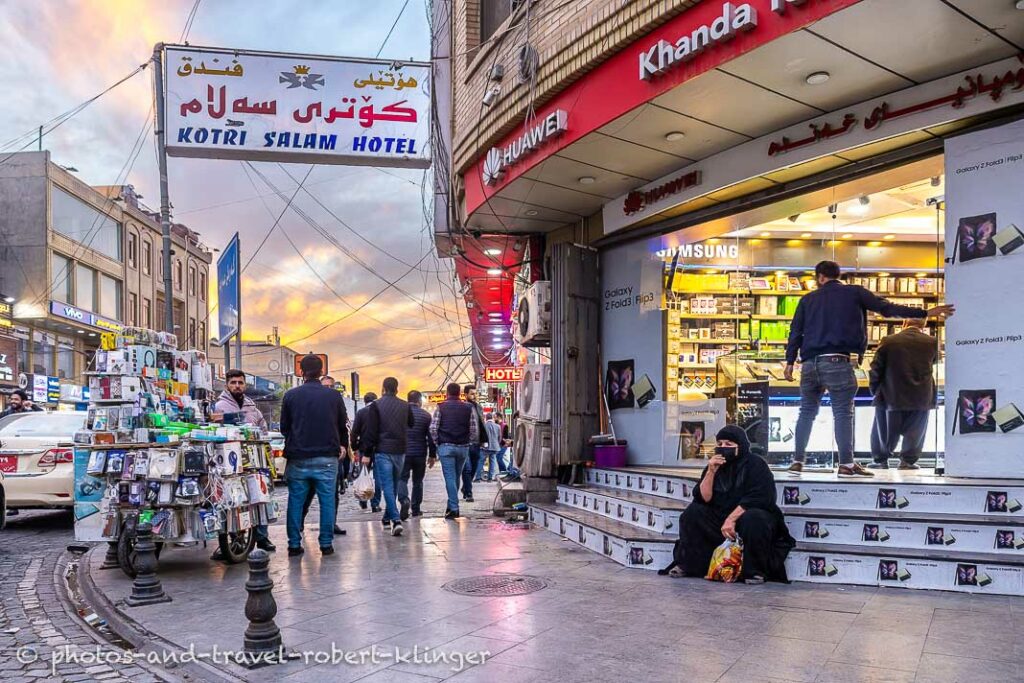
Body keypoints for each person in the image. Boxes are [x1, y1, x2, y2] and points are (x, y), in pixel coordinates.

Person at [784, 260, 953, 476]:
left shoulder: (807, 299)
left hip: (808, 364)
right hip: (837, 361)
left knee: (806, 412)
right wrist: (925, 313)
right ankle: (846, 464)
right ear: (839, 275)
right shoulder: (855, 293)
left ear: (820, 277)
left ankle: (798, 460)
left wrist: (790, 362)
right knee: (842, 413)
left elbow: (795, 332)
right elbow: (886, 309)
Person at [660, 425, 795, 583]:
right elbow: (703, 498)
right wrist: (711, 471)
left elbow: (761, 497)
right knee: (693, 513)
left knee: (755, 518)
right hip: (720, 514)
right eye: (720, 444)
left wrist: (731, 519)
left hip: (748, 515)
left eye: (729, 444)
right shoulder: (716, 465)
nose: (723, 448)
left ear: (741, 446)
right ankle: (691, 564)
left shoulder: (756, 464)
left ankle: (754, 571)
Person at [281, 355, 349, 557]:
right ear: (321, 372)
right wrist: (343, 445)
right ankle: (326, 544)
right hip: (327, 457)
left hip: (298, 457)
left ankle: (294, 544)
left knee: (295, 501)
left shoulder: (290, 396)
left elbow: (285, 427)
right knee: (327, 501)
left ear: (301, 371)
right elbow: (342, 425)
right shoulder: (333, 396)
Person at [211, 369, 275, 556]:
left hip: (254, 460)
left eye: (240, 382)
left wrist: (263, 442)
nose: (237, 386)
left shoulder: (251, 405)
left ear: (244, 384)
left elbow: (262, 427)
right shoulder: (220, 405)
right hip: (230, 462)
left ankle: (262, 536)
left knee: (259, 498)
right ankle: (232, 538)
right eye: (233, 383)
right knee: (232, 500)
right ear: (227, 385)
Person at [868, 318, 938, 470]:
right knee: (916, 430)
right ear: (924, 326)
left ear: (904, 324)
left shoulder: (889, 340)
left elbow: (876, 368)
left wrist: (875, 389)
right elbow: (933, 362)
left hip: (891, 393)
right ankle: (907, 461)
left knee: (884, 430)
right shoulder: (932, 342)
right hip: (921, 394)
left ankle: (881, 461)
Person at [361, 377, 414, 536]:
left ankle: (395, 519)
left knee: (387, 487)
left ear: (383, 388)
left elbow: (371, 431)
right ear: (397, 389)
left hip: (383, 450)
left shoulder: (376, 405)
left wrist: (367, 454)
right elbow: (411, 423)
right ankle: (387, 517)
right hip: (400, 450)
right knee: (394, 484)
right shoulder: (405, 405)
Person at [430, 383, 478, 519]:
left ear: (447, 392)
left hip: (446, 446)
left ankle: (454, 508)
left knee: (450, 477)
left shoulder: (441, 407)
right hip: (463, 447)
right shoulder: (468, 407)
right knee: (456, 477)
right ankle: (451, 505)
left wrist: (437, 443)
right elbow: (474, 430)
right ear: (460, 393)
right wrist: (468, 441)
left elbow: (433, 428)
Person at [398, 390, 436, 520]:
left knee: (402, 479)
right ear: (419, 401)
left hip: (403, 452)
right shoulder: (426, 415)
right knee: (418, 481)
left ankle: (404, 500)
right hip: (420, 453)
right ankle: (416, 509)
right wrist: (432, 455)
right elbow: (431, 437)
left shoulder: (400, 414)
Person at [349, 392, 380, 513]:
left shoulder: (361, 413)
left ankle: (363, 499)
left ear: (365, 401)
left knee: (363, 473)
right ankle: (375, 503)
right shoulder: (379, 412)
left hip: (363, 447)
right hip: (378, 448)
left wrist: (354, 447)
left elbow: (354, 432)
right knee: (378, 477)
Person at [461, 385, 487, 502]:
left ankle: (465, 487)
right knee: (467, 468)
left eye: (475, 393)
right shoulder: (463, 407)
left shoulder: (479, 407)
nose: (474, 396)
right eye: (472, 393)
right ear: (465, 394)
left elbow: (482, 424)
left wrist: (483, 440)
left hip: (476, 443)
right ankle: (468, 493)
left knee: (474, 468)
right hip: (465, 443)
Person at [477, 414, 504, 482]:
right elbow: (499, 438)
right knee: (492, 462)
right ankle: (490, 478)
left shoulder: (483, 426)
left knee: (481, 462)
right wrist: (497, 444)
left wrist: (481, 444)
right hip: (494, 447)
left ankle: (478, 478)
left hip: (485, 448)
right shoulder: (497, 426)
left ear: (486, 418)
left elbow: (480, 437)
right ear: (492, 418)